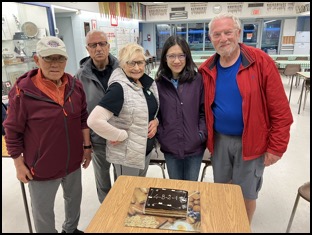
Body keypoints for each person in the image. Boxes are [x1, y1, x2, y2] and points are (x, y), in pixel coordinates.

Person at [198, 13, 293, 224]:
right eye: (217, 34)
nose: (223, 38)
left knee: (247, 193)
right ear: (211, 38)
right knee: (223, 187)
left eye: (228, 32)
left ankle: (242, 227)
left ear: (238, 33)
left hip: (252, 140)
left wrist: (276, 147)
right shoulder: (206, 69)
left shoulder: (261, 62)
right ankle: (225, 223)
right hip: (220, 140)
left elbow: (281, 111)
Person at [3, 36, 91, 233]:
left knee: (74, 200)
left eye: (59, 58)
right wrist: (18, 164)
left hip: (72, 162)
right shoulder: (22, 92)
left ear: (66, 60)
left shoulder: (75, 86)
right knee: (43, 212)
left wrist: (87, 148)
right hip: (41, 166)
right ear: (37, 60)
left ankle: (71, 229)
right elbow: (12, 130)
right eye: (48, 58)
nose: (55, 64)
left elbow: (82, 118)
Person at [87, 42, 159, 178]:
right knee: (126, 195)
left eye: (140, 62)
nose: (137, 68)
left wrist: (156, 121)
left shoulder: (146, 83)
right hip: (127, 156)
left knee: (138, 193)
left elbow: (150, 110)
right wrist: (120, 135)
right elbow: (94, 120)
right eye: (131, 63)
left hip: (144, 151)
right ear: (122, 64)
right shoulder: (119, 88)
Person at [75, 30, 119, 204]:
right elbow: (79, 112)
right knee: (102, 180)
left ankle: (119, 209)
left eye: (102, 44)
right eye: (93, 45)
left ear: (108, 46)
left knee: (121, 177)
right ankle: (106, 212)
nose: (98, 48)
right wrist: (86, 143)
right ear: (88, 49)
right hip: (97, 139)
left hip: (119, 137)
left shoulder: (123, 69)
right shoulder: (80, 77)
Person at [155, 35, 207, 181]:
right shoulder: (158, 84)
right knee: (175, 189)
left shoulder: (198, 81)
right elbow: (156, 114)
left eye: (180, 56)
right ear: (165, 58)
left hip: (194, 146)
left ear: (187, 57)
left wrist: (201, 134)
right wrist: (162, 135)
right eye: (171, 56)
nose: (176, 61)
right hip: (170, 146)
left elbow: (204, 111)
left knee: (191, 188)